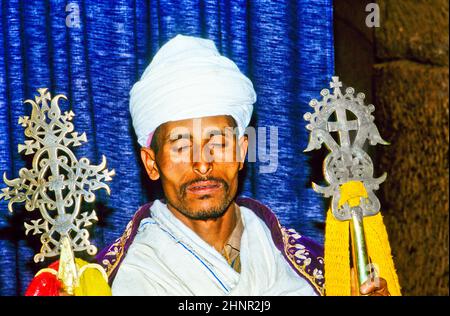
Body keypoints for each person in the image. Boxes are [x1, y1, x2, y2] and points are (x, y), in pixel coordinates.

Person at [26, 34, 389, 296]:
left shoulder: (309, 264)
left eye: (217, 142)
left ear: (243, 150)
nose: (202, 164)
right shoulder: (125, 277)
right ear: (151, 162)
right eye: (181, 145)